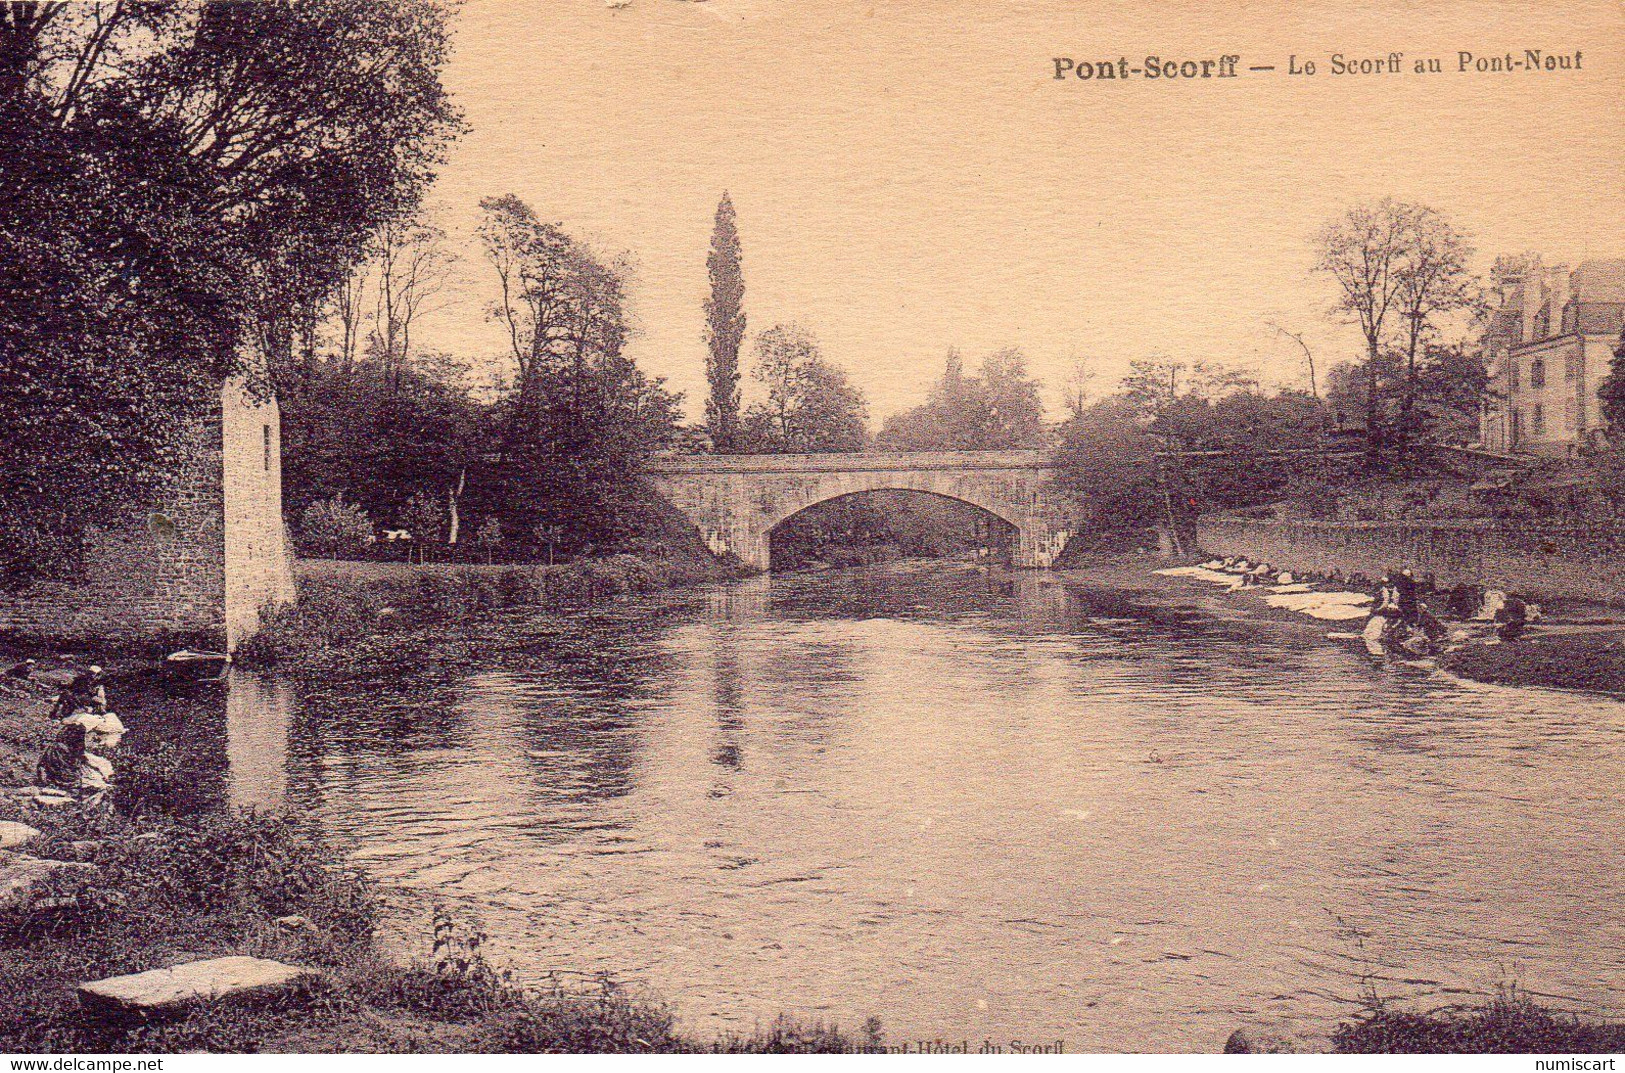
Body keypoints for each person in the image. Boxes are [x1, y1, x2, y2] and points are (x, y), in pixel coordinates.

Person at [35, 723, 111, 807]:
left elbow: (41, 766)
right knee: (100, 787)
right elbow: (82, 764)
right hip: (70, 781)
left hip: (54, 780)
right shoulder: (72, 749)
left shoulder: (52, 747)